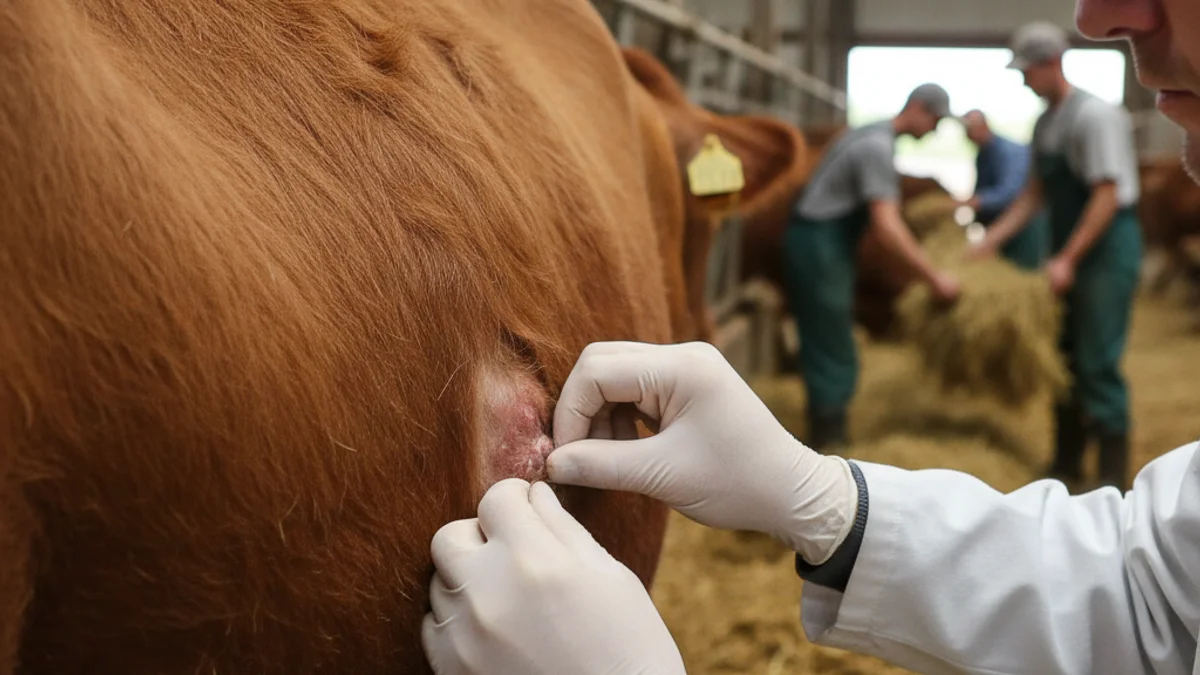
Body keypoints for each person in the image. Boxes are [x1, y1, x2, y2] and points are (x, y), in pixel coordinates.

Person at [423, 3, 1200, 673]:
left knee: (1089, 365)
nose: (1100, 16)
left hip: (1061, 256)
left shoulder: (1069, 121)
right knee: (841, 348)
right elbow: (1145, 596)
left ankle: (1091, 456)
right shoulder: (884, 149)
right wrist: (827, 503)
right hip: (820, 253)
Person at [971, 21, 1143, 491]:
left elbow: (1106, 194)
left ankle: (1111, 478)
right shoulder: (1046, 121)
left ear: (1053, 63)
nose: (1024, 80)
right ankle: (1067, 463)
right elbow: (1032, 196)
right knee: (1062, 354)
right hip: (1070, 252)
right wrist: (990, 241)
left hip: (1104, 251)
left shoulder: (1094, 117)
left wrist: (1067, 258)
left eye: (1027, 71)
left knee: (1097, 360)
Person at [783, 84, 960, 451]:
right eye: (935, 120)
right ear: (918, 108)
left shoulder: (869, 133)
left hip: (823, 241)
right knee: (831, 345)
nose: (934, 131)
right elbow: (886, 225)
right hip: (820, 244)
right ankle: (828, 444)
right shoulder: (876, 147)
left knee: (828, 338)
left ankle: (828, 433)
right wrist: (931, 277)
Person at [959, 109, 1050, 270]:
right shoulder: (983, 154)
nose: (967, 136)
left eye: (969, 130)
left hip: (1022, 228)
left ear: (983, 126)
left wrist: (975, 202)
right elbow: (981, 187)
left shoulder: (1009, 152)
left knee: (1022, 270)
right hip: (1000, 226)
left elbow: (1011, 193)